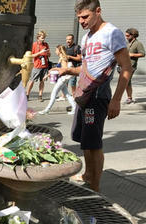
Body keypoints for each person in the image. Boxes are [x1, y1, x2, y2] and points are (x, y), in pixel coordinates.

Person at [55, 0, 132, 192]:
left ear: (98, 11)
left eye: (85, 17)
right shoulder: (87, 38)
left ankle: (95, 190)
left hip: (98, 97)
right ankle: (88, 175)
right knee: (84, 139)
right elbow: (86, 69)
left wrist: (116, 100)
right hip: (84, 96)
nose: (81, 21)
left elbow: (126, 68)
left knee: (94, 143)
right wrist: (67, 71)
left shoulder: (112, 33)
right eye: (79, 18)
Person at [38, 45, 76, 115]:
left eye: (56, 50)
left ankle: (47, 110)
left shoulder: (63, 58)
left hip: (62, 79)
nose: (55, 51)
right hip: (63, 79)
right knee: (67, 94)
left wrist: (53, 69)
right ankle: (75, 108)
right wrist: (48, 75)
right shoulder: (61, 58)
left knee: (53, 94)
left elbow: (64, 69)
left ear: (60, 51)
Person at [26, 30, 50, 102]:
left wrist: (48, 53)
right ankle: (27, 95)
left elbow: (49, 54)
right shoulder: (34, 45)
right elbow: (31, 55)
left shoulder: (46, 44)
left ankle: (40, 95)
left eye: (44, 37)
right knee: (32, 80)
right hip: (37, 66)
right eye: (42, 37)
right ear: (38, 37)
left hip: (44, 65)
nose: (43, 39)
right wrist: (40, 52)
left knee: (42, 81)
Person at [122, 28, 145, 104]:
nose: (126, 37)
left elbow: (143, 54)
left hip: (131, 66)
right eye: (126, 36)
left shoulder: (138, 44)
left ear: (133, 35)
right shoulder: (127, 43)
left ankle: (129, 98)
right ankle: (129, 98)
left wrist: (132, 54)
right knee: (126, 82)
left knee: (126, 81)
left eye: (128, 36)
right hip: (123, 65)